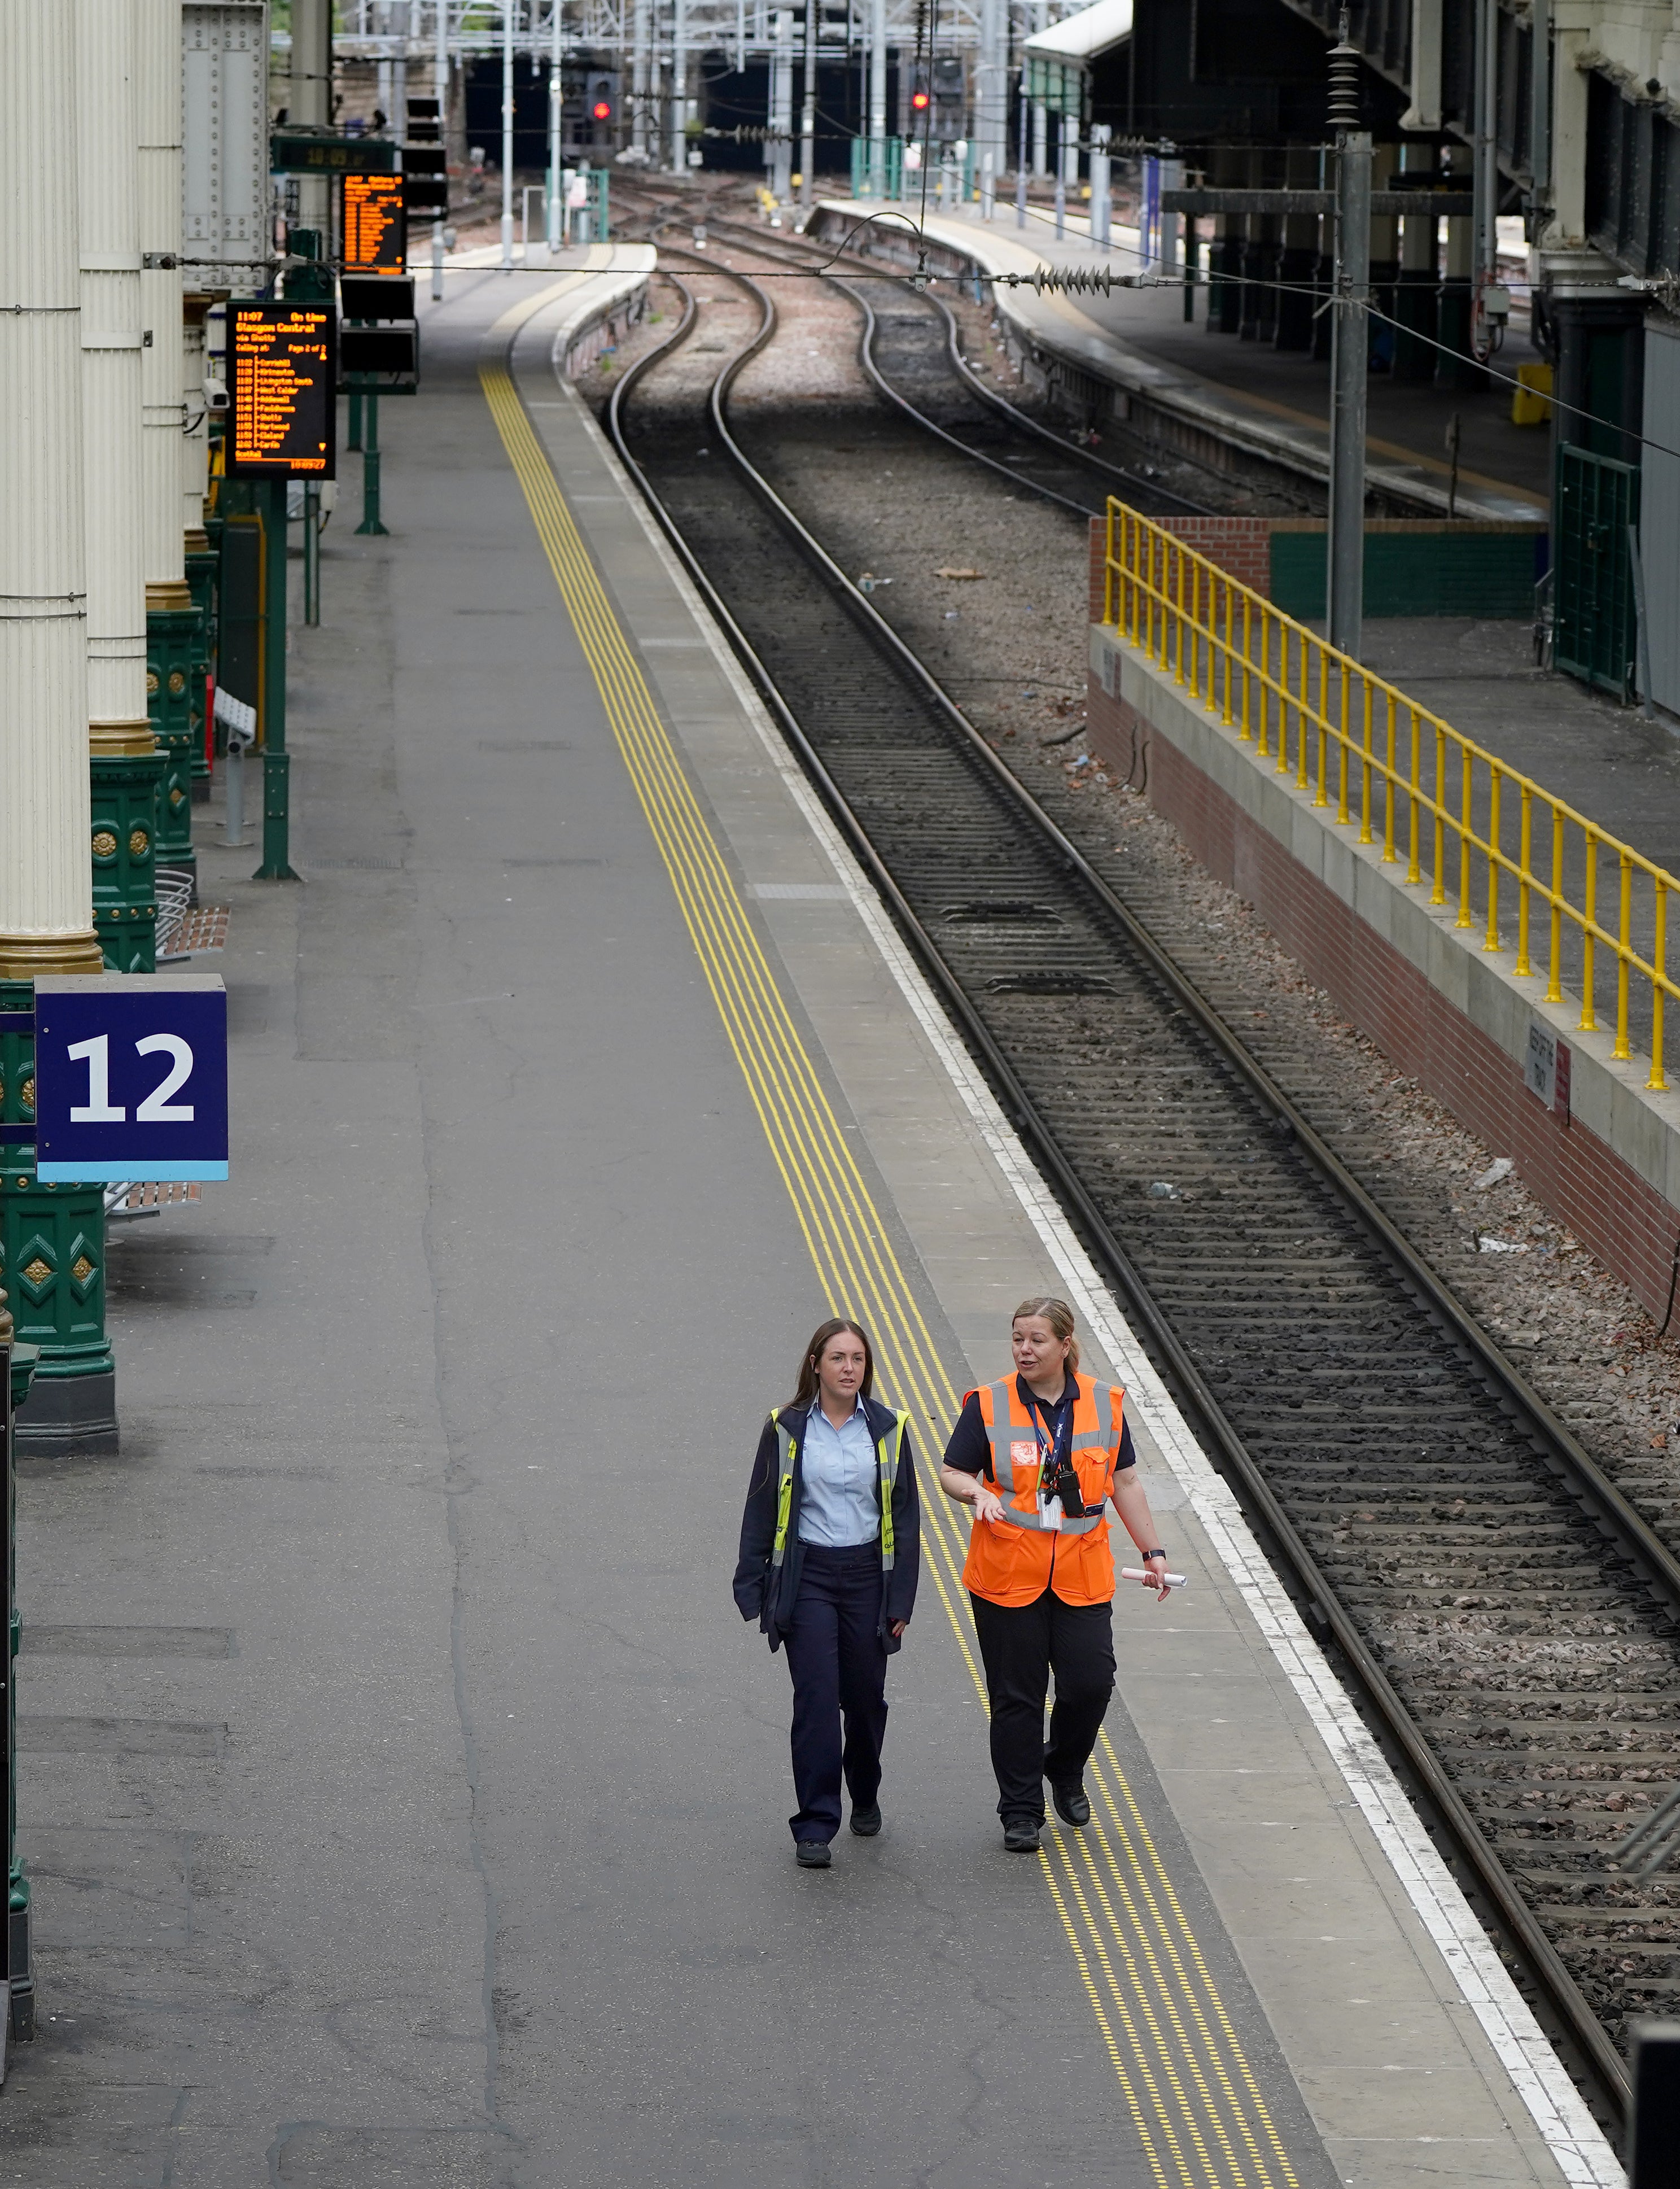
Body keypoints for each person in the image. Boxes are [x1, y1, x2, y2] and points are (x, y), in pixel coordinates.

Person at [939, 1296, 1172, 1852]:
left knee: (1090, 1684)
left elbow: (1126, 1482)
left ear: (1066, 1345)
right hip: (1008, 1570)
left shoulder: (1103, 1403)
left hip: (1081, 1571)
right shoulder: (989, 1403)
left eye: (1036, 1339)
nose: (1024, 1348)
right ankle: (1020, 1809)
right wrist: (975, 1492)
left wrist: (1153, 1551)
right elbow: (953, 1470)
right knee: (1017, 1697)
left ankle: (1063, 1767)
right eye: (1018, 1337)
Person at [734, 1318, 921, 1868]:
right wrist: (753, 1585)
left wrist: (900, 1602)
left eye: (857, 1359)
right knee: (816, 1700)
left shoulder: (889, 1428)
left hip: (868, 1578)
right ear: (815, 1363)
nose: (847, 1368)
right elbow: (762, 1506)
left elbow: (906, 1522)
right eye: (837, 1357)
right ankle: (814, 1823)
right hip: (809, 1577)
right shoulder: (786, 1427)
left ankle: (864, 1790)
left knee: (863, 1703)